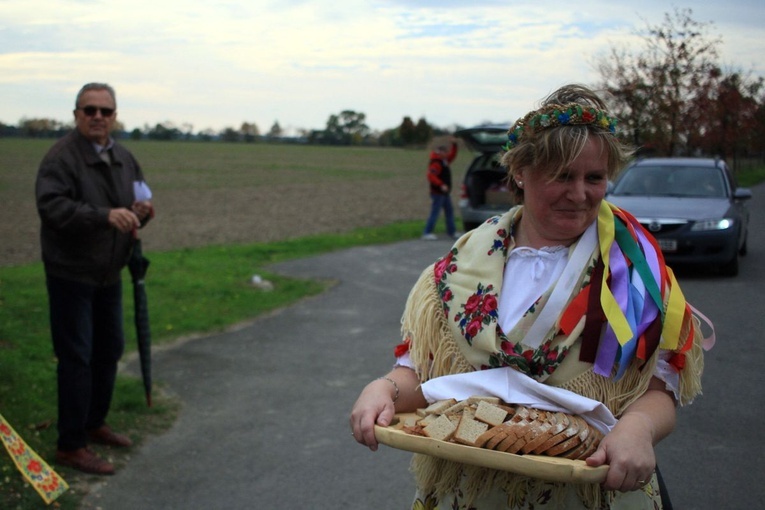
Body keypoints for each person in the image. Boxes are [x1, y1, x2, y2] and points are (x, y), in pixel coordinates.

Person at [350, 84, 709, 509]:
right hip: (472, 494)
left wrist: (638, 428)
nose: (580, 195)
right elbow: (420, 376)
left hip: (589, 493)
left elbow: (660, 390)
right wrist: (384, 388)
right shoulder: (460, 264)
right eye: (562, 176)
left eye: (594, 178)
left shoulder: (635, 272)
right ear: (520, 172)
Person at [35, 82, 154, 476]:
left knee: (109, 351)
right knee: (77, 359)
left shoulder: (124, 157)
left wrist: (141, 210)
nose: (98, 117)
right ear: (76, 115)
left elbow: (138, 200)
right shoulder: (61, 158)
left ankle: (94, 423)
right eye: (90, 110)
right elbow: (52, 207)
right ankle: (71, 445)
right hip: (71, 273)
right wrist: (103, 216)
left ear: (115, 115)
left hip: (109, 272)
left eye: (105, 111)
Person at [422, 139, 460, 240]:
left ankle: (452, 232)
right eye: (445, 152)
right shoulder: (436, 163)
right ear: (440, 152)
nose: (447, 154)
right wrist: (441, 185)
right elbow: (431, 175)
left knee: (449, 211)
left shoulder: (444, 161)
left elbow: (452, 156)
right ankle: (427, 233)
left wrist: (454, 145)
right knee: (435, 212)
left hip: (444, 193)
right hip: (438, 193)